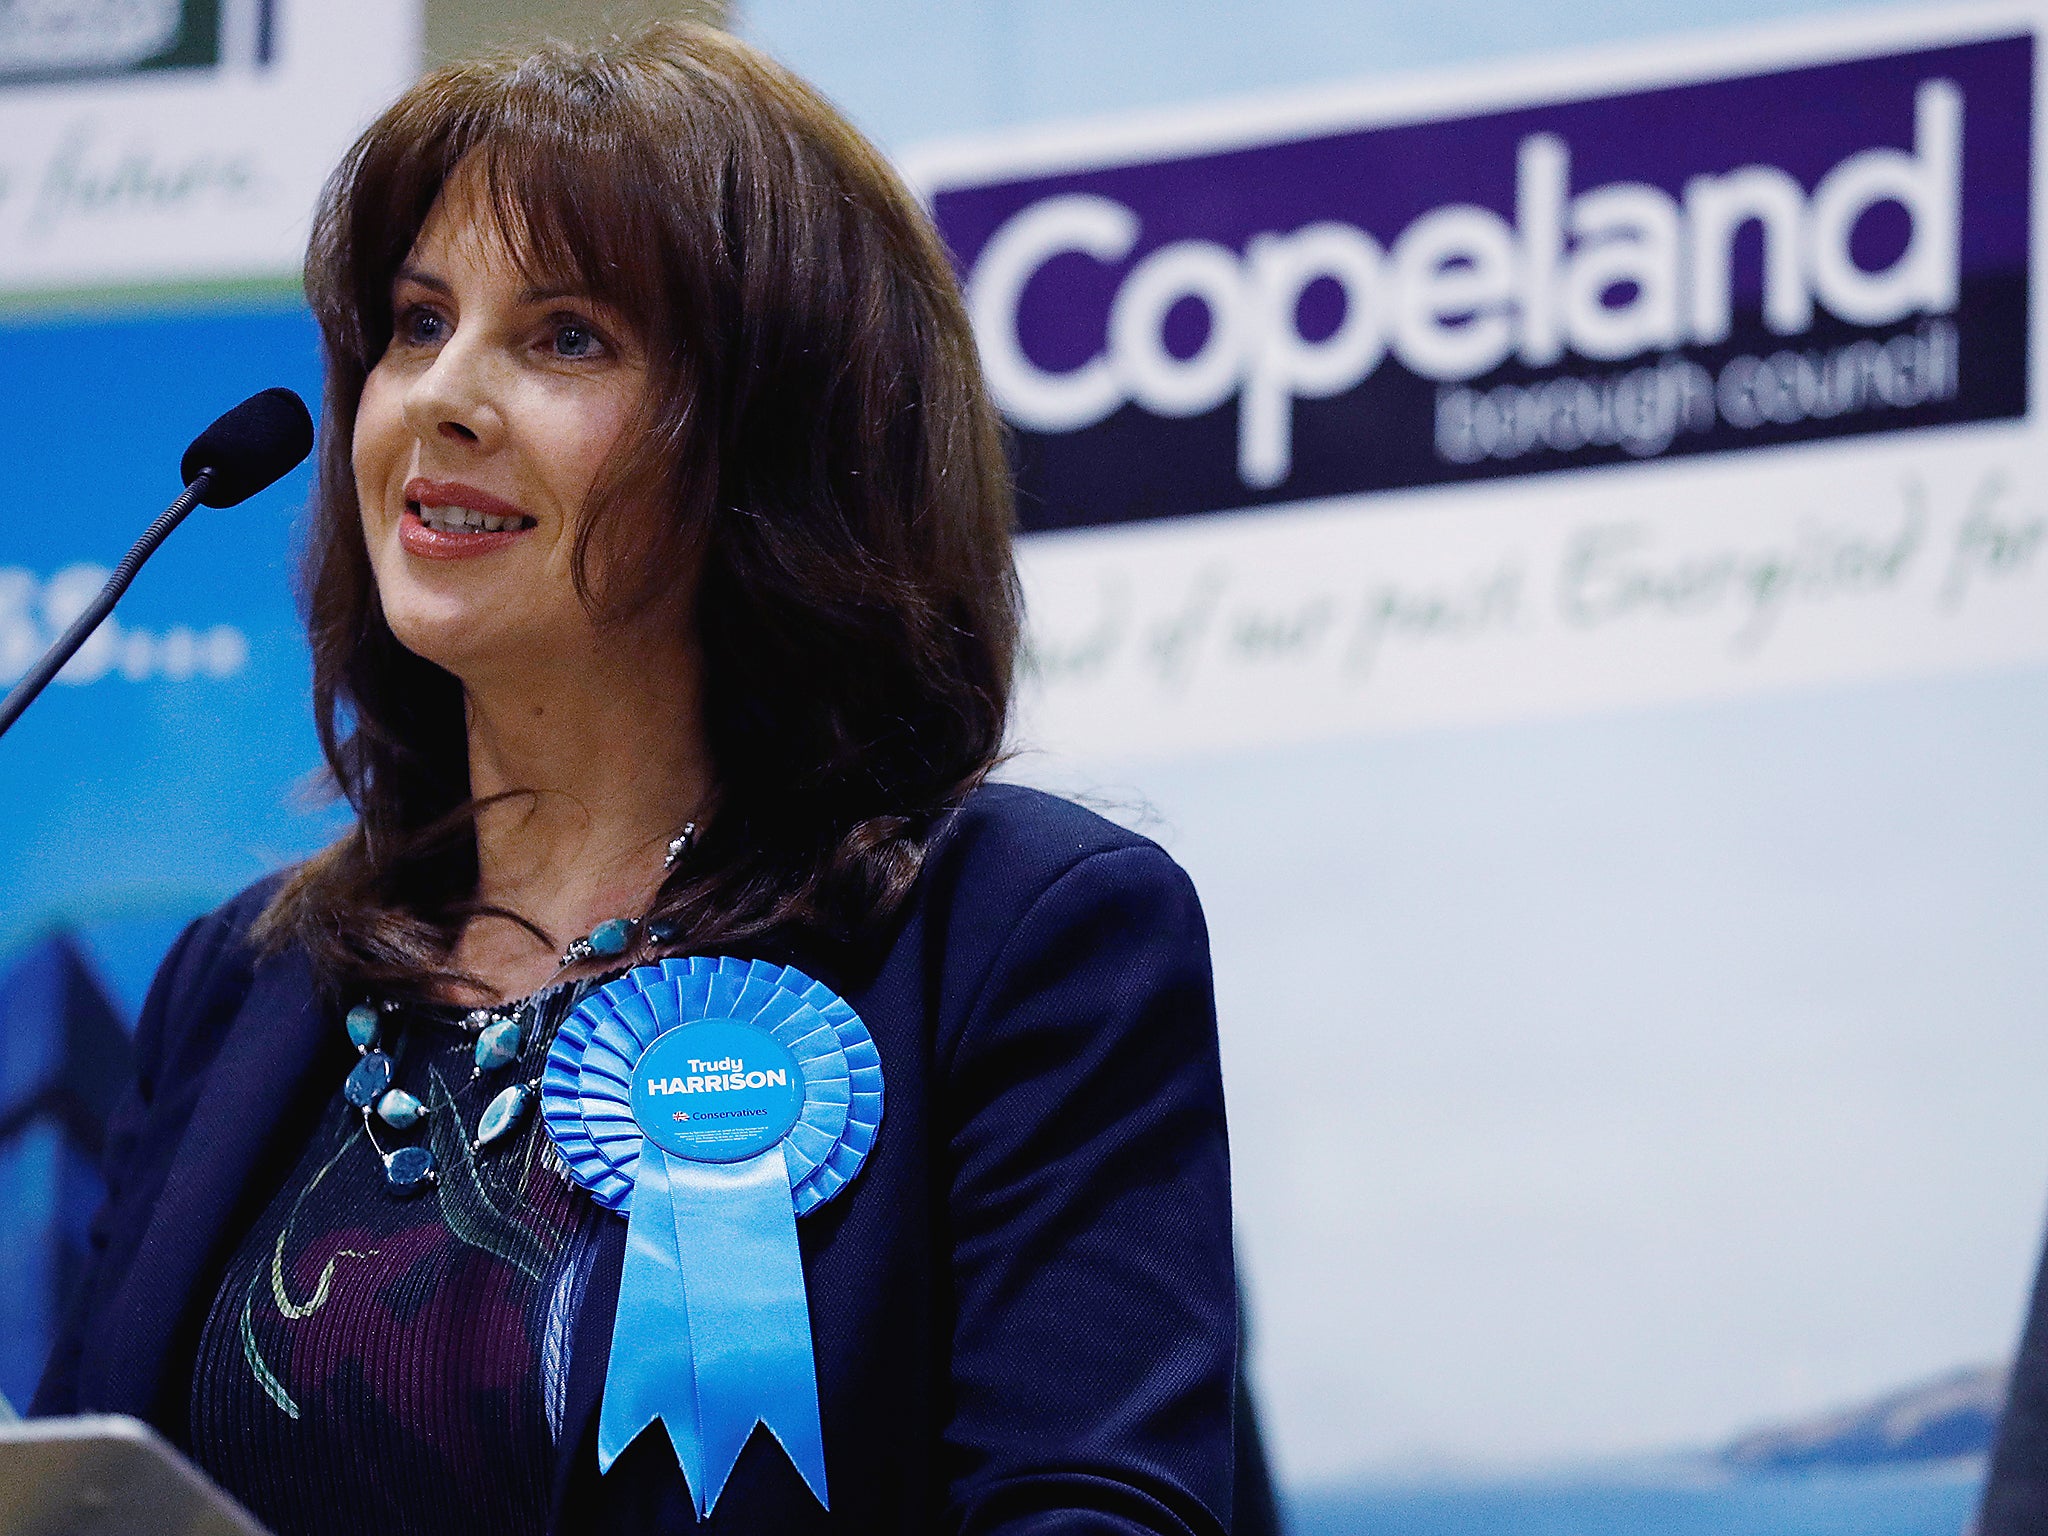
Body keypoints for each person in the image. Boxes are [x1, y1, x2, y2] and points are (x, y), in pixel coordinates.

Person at [31, 24, 1242, 1536]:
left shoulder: (1021, 941)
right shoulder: (244, 981)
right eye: (417, 323)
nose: (440, 396)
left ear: (776, 439)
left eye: (566, 339)